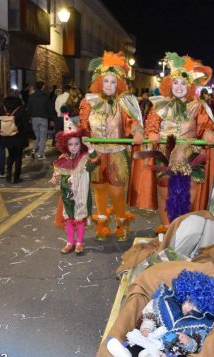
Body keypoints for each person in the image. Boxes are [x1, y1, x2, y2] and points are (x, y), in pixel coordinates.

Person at [141, 52, 214, 233]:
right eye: (176, 82)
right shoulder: (159, 105)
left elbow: (207, 126)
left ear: (190, 86)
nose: (179, 86)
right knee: (164, 191)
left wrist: (208, 133)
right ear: (169, 83)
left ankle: (184, 229)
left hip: (190, 156)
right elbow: (151, 125)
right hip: (165, 156)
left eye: (184, 83)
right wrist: (152, 132)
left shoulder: (197, 106)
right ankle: (168, 229)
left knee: (190, 192)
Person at [105, 269, 214, 357]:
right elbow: (151, 313)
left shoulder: (202, 323)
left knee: (180, 354)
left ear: (205, 309)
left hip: (172, 348)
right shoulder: (168, 303)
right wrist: (147, 327)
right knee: (139, 340)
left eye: (196, 306)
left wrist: (188, 342)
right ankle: (127, 353)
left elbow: (201, 342)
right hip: (153, 338)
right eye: (188, 301)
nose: (188, 307)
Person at [79, 51, 144, 241]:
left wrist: (137, 132)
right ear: (99, 81)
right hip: (96, 154)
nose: (109, 85)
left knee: (116, 191)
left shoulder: (123, 103)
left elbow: (131, 122)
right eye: (105, 81)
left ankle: (121, 225)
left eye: (113, 82)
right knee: (99, 190)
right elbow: (83, 127)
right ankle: (102, 226)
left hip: (117, 153)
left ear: (119, 84)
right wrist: (82, 139)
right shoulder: (87, 102)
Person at [49, 122, 97, 255]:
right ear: (65, 145)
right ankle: (70, 242)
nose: (74, 147)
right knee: (69, 219)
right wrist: (55, 177)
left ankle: (79, 243)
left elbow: (96, 162)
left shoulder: (85, 158)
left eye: (77, 144)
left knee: (79, 219)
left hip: (81, 194)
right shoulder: (62, 158)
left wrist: (90, 147)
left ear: (81, 144)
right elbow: (58, 171)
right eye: (70, 144)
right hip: (67, 194)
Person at [0, 92, 31, 183]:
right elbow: (26, 124)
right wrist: (31, 134)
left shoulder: (3, 108)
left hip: (7, 136)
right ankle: (16, 177)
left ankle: (8, 174)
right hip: (19, 136)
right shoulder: (21, 109)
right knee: (18, 157)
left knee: (10, 155)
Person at [27, 81, 53, 160]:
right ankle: (40, 154)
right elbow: (49, 108)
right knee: (42, 136)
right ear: (43, 86)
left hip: (34, 118)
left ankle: (34, 150)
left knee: (36, 136)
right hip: (43, 118)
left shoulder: (31, 97)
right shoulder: (45, 96)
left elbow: (29, 108)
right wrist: (51, 119)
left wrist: (29, 118)